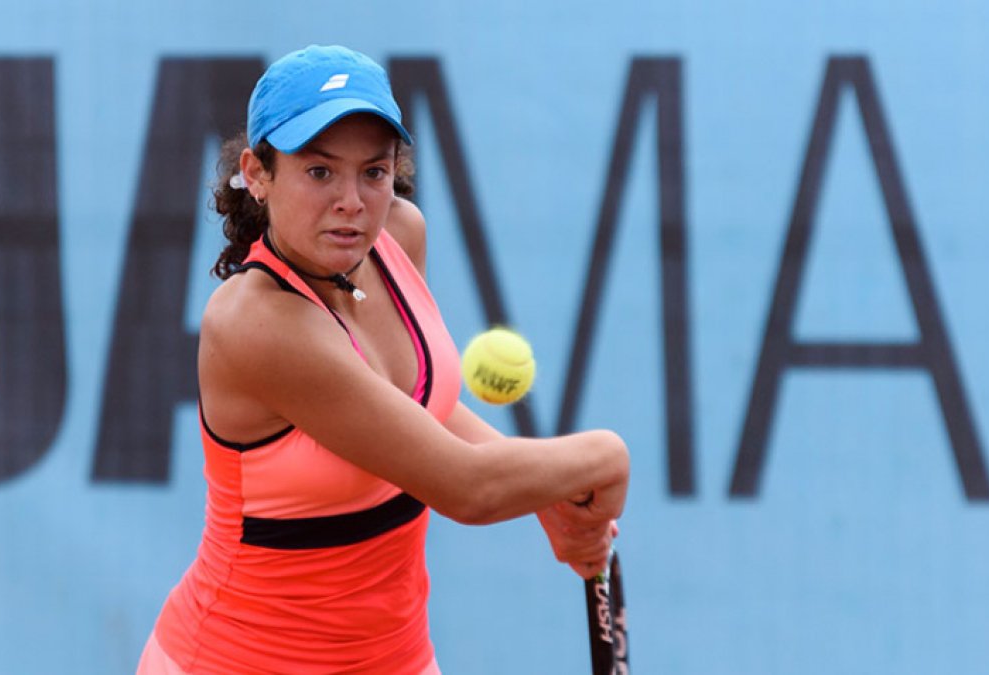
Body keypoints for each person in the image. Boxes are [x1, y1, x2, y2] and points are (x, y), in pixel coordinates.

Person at [136, 44, 630, 674]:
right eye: (319, 172)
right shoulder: (255, 323)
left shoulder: (399, 235)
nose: (352, 201)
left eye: (373, 171)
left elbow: (411, 416)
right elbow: (465, 487)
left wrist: (550, 499)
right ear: (258, 173)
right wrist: (603, 459)